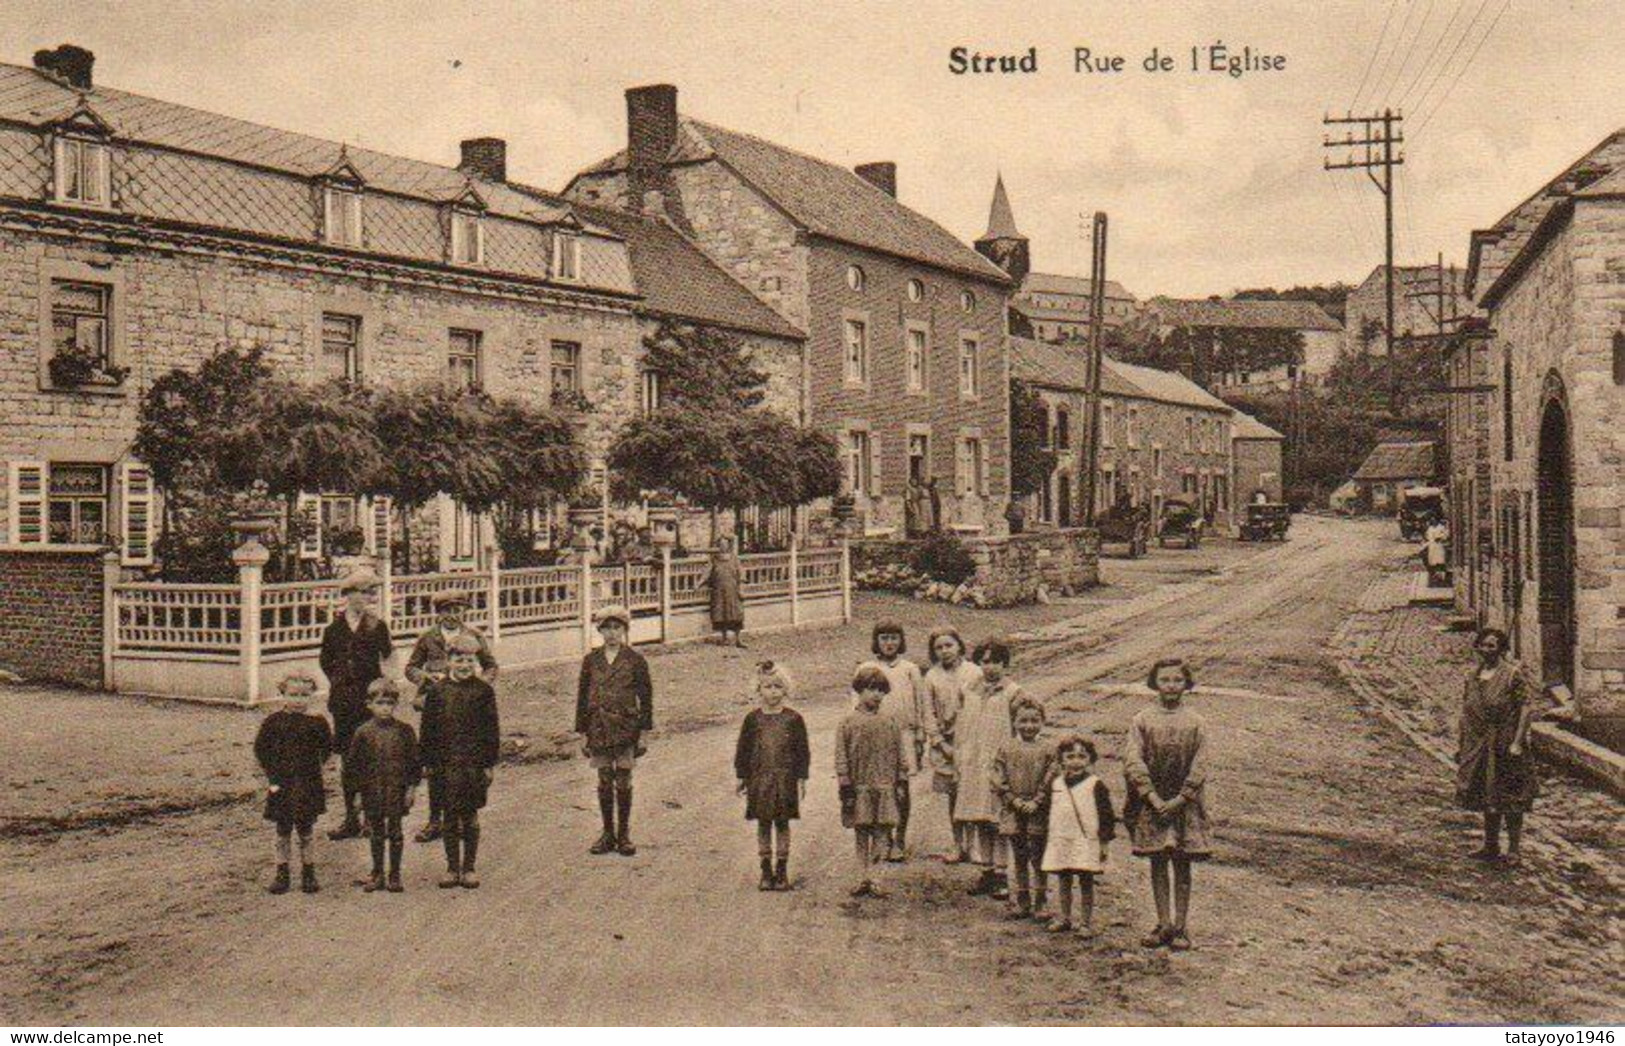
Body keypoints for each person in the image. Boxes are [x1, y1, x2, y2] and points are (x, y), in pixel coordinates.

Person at [1123, 658, 1210, 951]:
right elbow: (1133, 760)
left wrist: (1181, 798)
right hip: (1154, 802)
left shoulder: (1196, 722)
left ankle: (1181, 927)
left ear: (1186, 684)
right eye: (1165, 680)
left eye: (1177, 680)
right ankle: (1163, 923)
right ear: (1154, 683)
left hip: (1184, 804)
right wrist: (1152, 797)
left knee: (1182, 864)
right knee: (1158, 861)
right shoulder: (1142, 720)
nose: (1171, 686)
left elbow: (1201, 764)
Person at [405, 591, 498, 844]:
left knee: (465, 761)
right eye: (447, 610)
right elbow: (410, 667)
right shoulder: (428, 638)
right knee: (437, 764)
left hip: (467, 705)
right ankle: (436, 820)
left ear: (464, 611)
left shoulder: (474, 636)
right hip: (436, 703)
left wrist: (479, 684)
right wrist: (425, 678)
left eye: (458, 610)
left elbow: (491, 666)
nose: (453, 615)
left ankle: (464, 817)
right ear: (439, 612)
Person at [1456, 627, 1549, 864]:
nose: (1487, 650)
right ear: (1477, 647)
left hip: (1506, 742)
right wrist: (1463, 744)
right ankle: (1490, 845)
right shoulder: (1472, 676)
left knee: (1511, 796)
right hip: (1479, 743)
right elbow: (1466, 711)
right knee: (1488, 794)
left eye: (1492, 646)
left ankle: (1514, 849)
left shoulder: (1511, 675)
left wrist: (1518, 741)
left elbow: (1526, 708)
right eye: (1483, 645)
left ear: (1502, 649)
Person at [421, 633, 501, 888]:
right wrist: (427, 763)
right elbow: (428, 731)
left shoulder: (483, 691)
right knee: (449, 816)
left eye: (469, 660)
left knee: (470, 816)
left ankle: (469, 868)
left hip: (473, 766)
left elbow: (491, 731)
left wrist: (488, 764)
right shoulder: (437, 692)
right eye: (459, 660)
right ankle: (451, 867)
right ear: (448, 660)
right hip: (445, 766)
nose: (464, 665)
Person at [319, 571, 394, 841]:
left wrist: (381, 687)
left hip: (369, 703)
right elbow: (326, 662)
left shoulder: (377, 626)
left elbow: (388, 659)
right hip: (343, 704)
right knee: (348, 760)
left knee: (371, 758)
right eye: (360, 592)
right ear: (348, 595)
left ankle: (372, 819)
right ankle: (351, 817)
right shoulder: (333, 629)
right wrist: (341, 683)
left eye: (369, 593)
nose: (365, 598)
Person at [575, 605, 654, 856]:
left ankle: (624, 834)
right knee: (604, 779)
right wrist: (582, 732)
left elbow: (646, 698)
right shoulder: (591, 660)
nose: (611, 633)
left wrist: (643, 732)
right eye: (606, 628)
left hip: (625, 727)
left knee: (623, 780)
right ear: (599, 630)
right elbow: (582, 696)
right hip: (598, 727)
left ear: (625, 630)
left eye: (616, 628)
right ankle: (607, 833)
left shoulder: (635, 660)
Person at [733, 661, 811, 891]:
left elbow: (802, 751)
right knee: (764, 822)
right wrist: (741, 776)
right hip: (760, 779)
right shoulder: (752, 720)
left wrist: (801, 778)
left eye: (778, 687)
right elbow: (743, 749)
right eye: (767, 687)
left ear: (786, 689)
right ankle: (765, 869)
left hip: (784, 779)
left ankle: (782, 869)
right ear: (758, 689)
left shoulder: (794, 720)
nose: (773, 692)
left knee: (783, 822)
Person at [254, 672, 332, 895]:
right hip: (281, 783)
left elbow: (326, 750)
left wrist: (314, 770)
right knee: (283, 829)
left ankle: (309, 872)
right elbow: (261, 750)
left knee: (306, 829)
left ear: (311, 697)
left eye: (304, 695)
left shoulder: (317, 723)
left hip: (307, 784)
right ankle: (282, 872)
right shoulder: (273, 722)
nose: (299, 700)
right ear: (282, 695)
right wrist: (272, 776)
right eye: (293, 695)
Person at [836, 665, 906, 899]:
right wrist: (845, 784)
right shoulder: (847, 722)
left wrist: (901, 781)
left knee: (881, 832)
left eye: (880, 690)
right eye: (870, 689)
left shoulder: (890, 722)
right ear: (859, 690)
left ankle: (876, 877)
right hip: (859, 787)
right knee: (861, 831)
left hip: (885, 786)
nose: (875, 694)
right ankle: (861, 876)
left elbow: (900, 753)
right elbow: (841, 755)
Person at [960, 638, 1022, 898]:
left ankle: (1001, 873)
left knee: (998, 821)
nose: (991, 667)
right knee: (980, 818)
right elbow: (964, 725)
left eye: (996, 661)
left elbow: (1019, 730)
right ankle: (986, 870)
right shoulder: (971, 689)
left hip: (998, 763)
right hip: (975, 762)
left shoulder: (1013, 692)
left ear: (1005, 664)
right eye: (985, 661)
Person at [346, 679, 420, 893]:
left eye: (389, 703)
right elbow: (354, 766)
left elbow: (414, 764)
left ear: (395, 704)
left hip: (396, 791)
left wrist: (411, 789)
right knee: (376, 832)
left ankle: (394, 875)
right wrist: (358, 794)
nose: (385, 708)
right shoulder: (362, 732)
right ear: (369, 704)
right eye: (380, 703)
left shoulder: (405, 731)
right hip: (372, 791)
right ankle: (377, 873)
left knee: (395, 832)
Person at [863, 621, 926, 861]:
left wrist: (920, 734)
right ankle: (884, 838)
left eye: (893, 638)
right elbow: (856, 702)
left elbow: (920, 703)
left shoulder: (910, 669)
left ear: (901, 641)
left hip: (905, 734)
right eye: (884, 638)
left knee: (901, 789)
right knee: (882, 787)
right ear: (876, 641)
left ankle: (899, 839)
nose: (889, 643)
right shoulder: (867, 667)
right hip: (877, 736)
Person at [1042, 735, 1116, 936]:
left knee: (1085, 880)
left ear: (1090, 760)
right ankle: (1065, 917)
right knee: (1063, 878)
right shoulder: (1055, 784)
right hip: (1062, 839)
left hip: (1085, 840)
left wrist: (1104, 843)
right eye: (1070, 756)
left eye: (1082, 756)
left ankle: (1085, 922)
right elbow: (1047, 810)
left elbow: (1106, 816)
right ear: (1062, 759)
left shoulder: (1095, 784)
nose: (1076, 761)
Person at [923, 626, 984, 864]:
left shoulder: (974, 672)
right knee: (954, 796)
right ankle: (958, 843)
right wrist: (940, 743)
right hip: (946, 745)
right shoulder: (931, 677)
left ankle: (974, 845)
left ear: (959, 645)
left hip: (971, 741)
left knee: (972, 794)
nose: (944, 651)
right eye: (939, 647)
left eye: (949, 645)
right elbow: (927, 713)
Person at [990, 699, 1055, 920]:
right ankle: (1022, 900)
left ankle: (1041, 901)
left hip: (1039, 809)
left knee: (1038, 857)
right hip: (1014, 808)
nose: (1029, 726)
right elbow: (998, 778)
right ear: (1014, 722)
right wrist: (1012, 799)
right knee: (1019, 855)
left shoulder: (1048, 748)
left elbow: (1051, 777)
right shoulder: (1006, 748)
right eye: (1023, 721)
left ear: (1043, 721)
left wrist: (1037, 800)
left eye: (1034, 720)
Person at [707, 536, 746, 648]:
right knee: (722, 614)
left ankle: (738, 639)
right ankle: (725, 639)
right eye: (720, 545)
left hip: (733, 590)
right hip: (719, 591)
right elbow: (707, 573)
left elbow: (741, 573)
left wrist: (741, 587)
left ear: (728, 546)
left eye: (725, 544)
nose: (723, 546)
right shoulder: (714, 560)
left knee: (737, 614)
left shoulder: (734, 559)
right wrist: (698, 584)